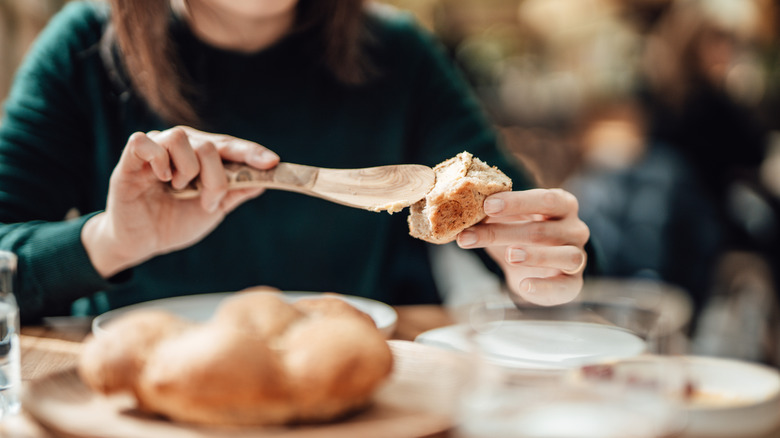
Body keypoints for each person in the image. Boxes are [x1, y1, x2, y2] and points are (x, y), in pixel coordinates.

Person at [0, 0, 590, 323]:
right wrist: (111, 240)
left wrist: (536, 264)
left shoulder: (399, 54)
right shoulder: (81, 47)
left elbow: (528, 235)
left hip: (353, 400)